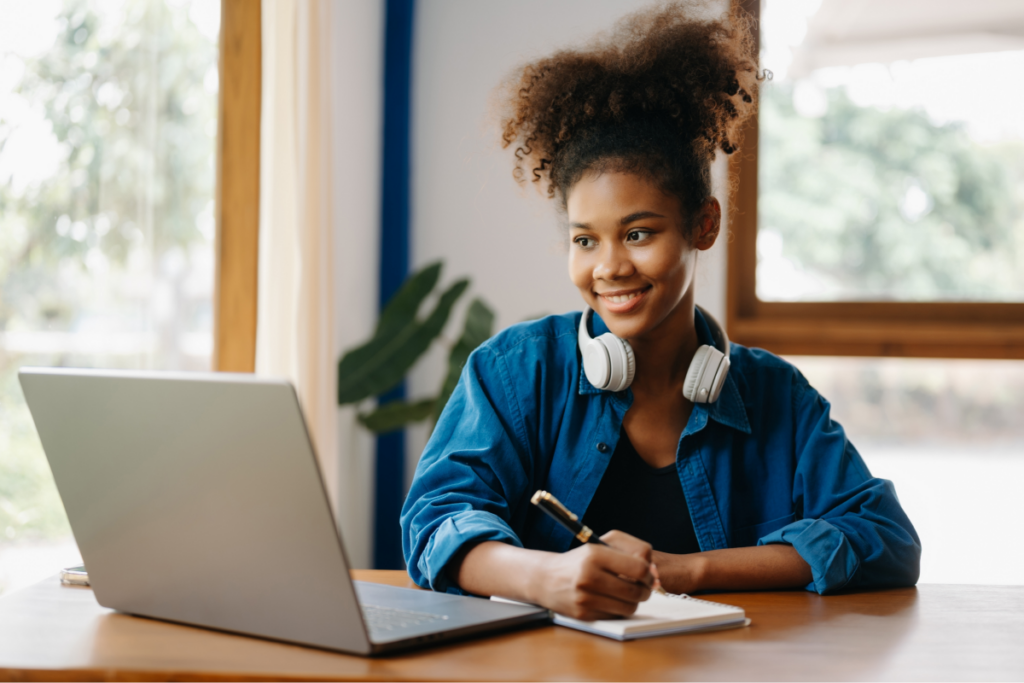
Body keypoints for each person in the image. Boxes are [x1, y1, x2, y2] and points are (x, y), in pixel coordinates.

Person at [400, 2, 920, 620]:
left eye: (639, 233)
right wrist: (547, 578)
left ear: (703, 225)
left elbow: (885, 539)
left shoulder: (775, 394)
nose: (609, 267)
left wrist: (685, 570)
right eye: (585, 239)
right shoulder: (516, 372)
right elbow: (434, 523)